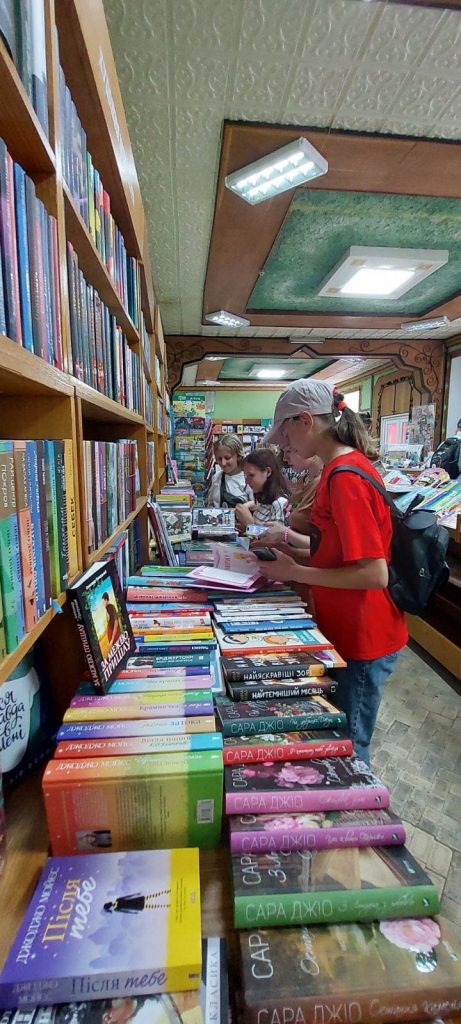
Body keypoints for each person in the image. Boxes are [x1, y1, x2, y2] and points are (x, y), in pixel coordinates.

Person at [260, 379, 408, 765]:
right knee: (340, 736)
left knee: (349, 749)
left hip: (364, 636)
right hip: (345, 629)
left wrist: (296, 571)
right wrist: (290, 550)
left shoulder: (345, 476)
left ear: (306, 420)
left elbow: (374, 574)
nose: (285, 444)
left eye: (286, 432)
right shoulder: (335, 470)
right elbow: (336, 553)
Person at [235, 448, 289, 528]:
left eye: (251, 475)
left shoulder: (279, 503)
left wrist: (249, 523)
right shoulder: (263, 500)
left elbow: (275, 535)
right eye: (246, 476)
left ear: (268, 472)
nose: (247, 481)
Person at [206, 434, 253, 507]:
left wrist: (247, 506)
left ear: (238, 456)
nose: (223, 463)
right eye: (219, 459)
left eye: (227, 458)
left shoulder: (248, 479)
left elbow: (258, 505)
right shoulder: (216, 478)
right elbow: (211, 503)